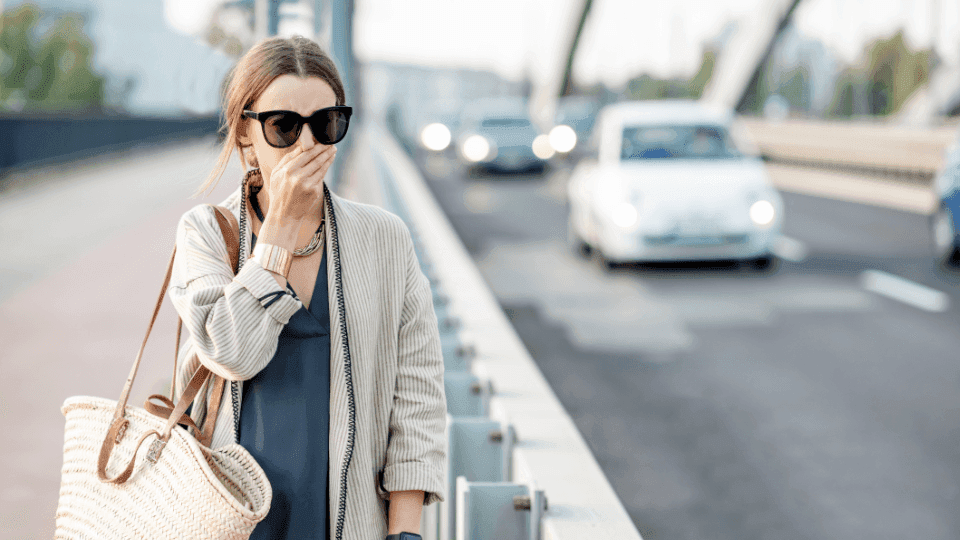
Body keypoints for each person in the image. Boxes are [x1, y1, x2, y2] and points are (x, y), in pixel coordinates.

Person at [168, 35, 446, 540]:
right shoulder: (206, 232)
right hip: (228, 515)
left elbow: (418, 395)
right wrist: (279, 227)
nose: (306, 145)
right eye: (283, 127)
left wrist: (406, 533)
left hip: (347, 519)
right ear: (245, 134)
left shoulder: (385, 238)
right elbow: (231, 352)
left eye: (326, 124)